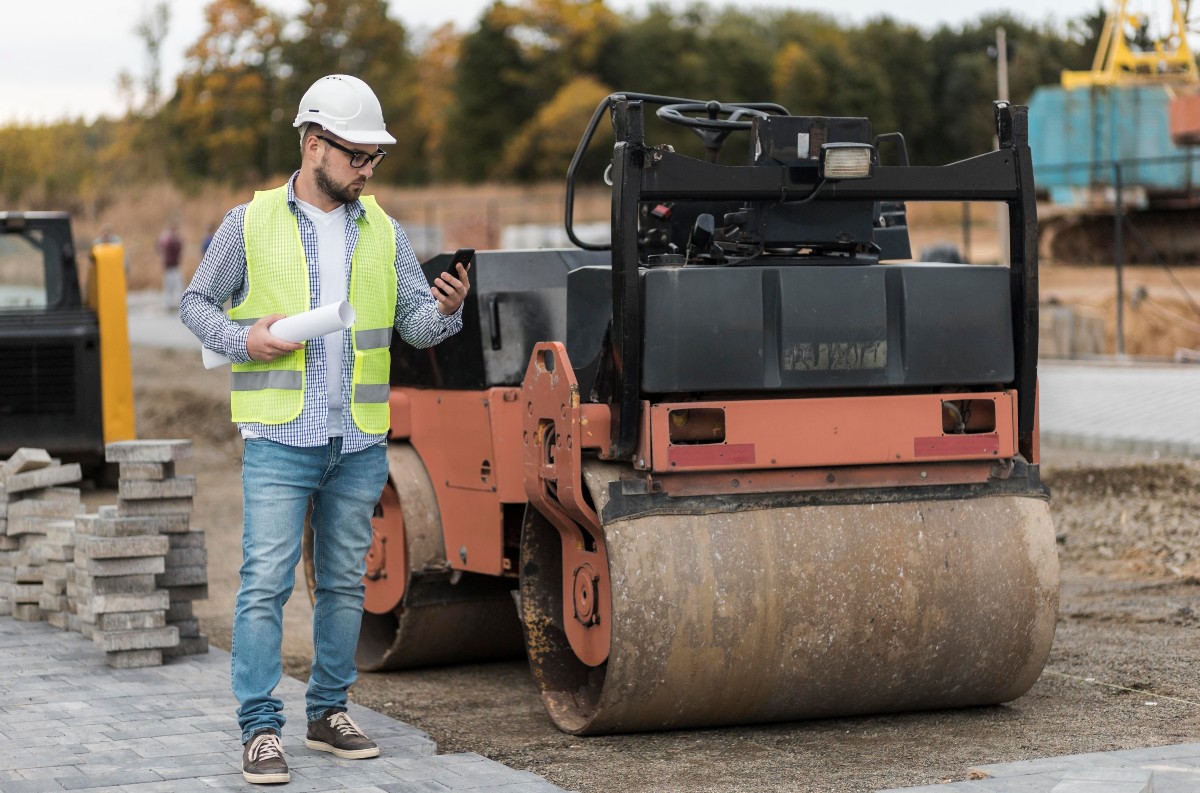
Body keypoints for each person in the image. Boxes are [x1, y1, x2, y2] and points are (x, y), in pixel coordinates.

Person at [179, 74, 471, 785]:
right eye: (358, 156)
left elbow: (415, 326)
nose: (369, 170)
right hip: (279, 437)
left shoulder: (386, 231)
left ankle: (328, 710)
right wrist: (247, 340)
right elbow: (194, 303)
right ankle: (259, 728)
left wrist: (449, 309)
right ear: (315, 146)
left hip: (358, 440)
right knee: (263, 585)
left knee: (344, 583)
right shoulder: (248, 223)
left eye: (376, 158)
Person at [156, 222, 184, 309]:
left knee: (178, 285)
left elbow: (179, 248)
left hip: (175, 266)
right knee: (169, 286)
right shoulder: (167, 240)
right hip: (168, 267)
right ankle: (169, 303)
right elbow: (158, 247)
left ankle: (179, 302)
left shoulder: (173, 240)